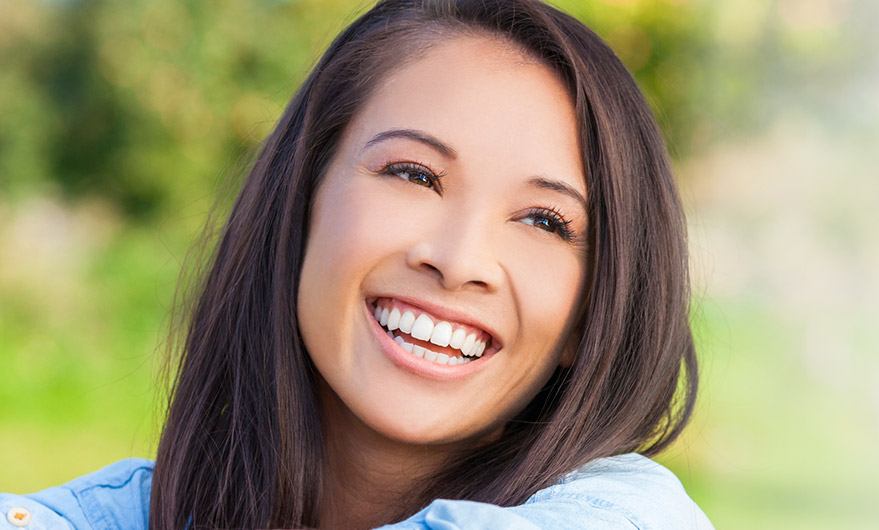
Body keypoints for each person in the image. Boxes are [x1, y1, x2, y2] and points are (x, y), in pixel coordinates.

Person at [0, 0, 710, 528]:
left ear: (594, 313)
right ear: (301, 200)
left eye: (545, 221)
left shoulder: (622, 514)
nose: (458, 260)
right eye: (413, 175)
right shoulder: (116, 513)